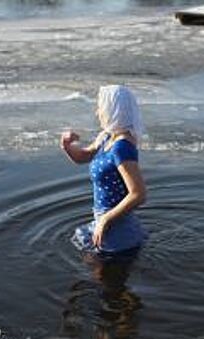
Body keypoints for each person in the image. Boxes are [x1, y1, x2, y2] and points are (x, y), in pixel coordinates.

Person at [60, 85, 147, 255]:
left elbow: (138, 194)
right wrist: (66, 146)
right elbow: (84, 157)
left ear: (113, 109)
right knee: (97, 272)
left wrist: (106, 220)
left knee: (104, 277)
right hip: (104, 221)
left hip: (116, 226)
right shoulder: (107, 136)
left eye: (100, 107)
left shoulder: (122, 147)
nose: (97, 112)